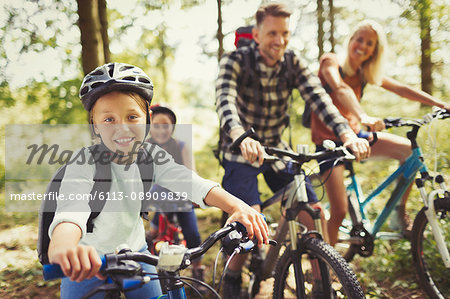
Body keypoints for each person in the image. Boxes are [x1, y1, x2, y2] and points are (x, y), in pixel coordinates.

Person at [47, 62, 269, 299]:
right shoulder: (83, 163)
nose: (122, 128)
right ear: (95, 126)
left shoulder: (152, 157)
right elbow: (71, 212)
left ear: (147, 120)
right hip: (86, 260)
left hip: (135, 254)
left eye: (132, 117)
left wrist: (237, 206)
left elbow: (193, 183)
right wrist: (65, 246)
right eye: (109, 120)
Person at [215, 3, 370, 297]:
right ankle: (232, 278)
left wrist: (346, 133)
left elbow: (320, 99)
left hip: (276, 151)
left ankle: (320, 283)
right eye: (272, 33)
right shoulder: (235, 60)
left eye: (285, 33)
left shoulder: (292, 61)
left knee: (314, 216)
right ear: (257, 34)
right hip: (240, 150)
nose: (279, 40)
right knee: (247, 222)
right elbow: (226, 103)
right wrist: (240, 136)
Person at [310, 19, 450, 245]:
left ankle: (398, 211)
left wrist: (441, 104)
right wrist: (362, 115)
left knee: (409, 152)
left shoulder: (365, 72)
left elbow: (401, 89)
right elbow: (340, 88)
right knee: (338, 212)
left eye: (369, 43)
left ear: (374, 51)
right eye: (359, 39)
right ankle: (327, 270)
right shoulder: (330, 62)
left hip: (358, 137)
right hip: (329, 143)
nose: (363, 46)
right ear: (351, 40)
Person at [145, 104, 207, 292]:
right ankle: (148, 267)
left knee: (193, 234)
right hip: (159, 199)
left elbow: (191, 173)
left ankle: (197, 270)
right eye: (156, 125)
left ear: (172, 127)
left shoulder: (181, 146)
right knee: (152, 234)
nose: (161, 130)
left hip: (181, 199)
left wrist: (195, 193)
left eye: (166, 125)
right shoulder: (145, 147)